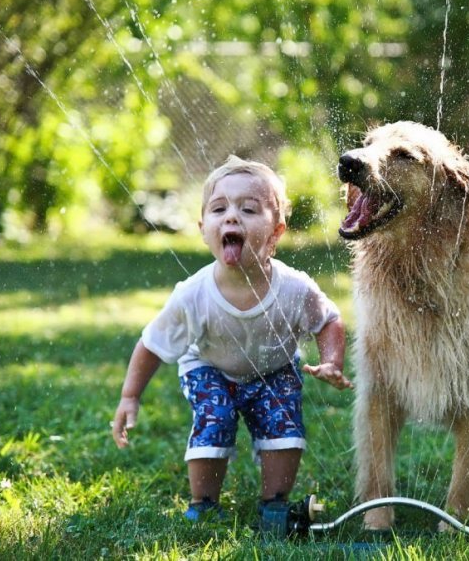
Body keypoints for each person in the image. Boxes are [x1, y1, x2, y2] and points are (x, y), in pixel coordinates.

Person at [111, 156, 351, 521]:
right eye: (219, 208)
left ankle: (274, 504)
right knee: (215, 417)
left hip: (275, 369)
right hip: (209, 368)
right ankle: (204, 504)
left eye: (249, 209)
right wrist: (130, 396)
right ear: (203, 228)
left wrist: (332, 361)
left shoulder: (294, 287)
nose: (232, 216)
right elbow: (152, 344)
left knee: (284, 426)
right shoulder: (192, 294)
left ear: (276, 233)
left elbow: (328, 320)